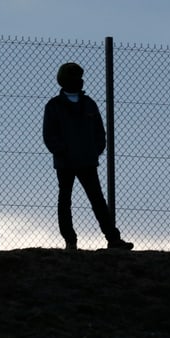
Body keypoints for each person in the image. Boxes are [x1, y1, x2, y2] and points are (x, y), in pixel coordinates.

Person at [43, 62, 133, 251]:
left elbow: (100, 132)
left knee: (97, 200)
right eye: (75, 77)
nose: (79, 80)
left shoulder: (89, 103)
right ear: (65, 80)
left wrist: (95, 150)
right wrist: (62, 151)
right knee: (65, 200)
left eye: (79, 77)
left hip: (87, 161)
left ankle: (113, 239)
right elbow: (49, 135)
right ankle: (70, 241)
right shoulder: (54, 106)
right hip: (65, 163)